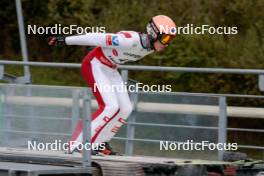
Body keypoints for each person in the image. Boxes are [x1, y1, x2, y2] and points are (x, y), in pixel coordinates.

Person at [48, 15, 176, 155]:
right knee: (110, 106)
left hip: (111, 68)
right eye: (165, 38)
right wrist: (66, 40)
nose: (167, 44)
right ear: (153, 33)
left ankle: (99, 144)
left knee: (126, 108)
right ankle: (75, 144)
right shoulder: (128, 40)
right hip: (94, 64)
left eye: (170, 40)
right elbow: (95, 38)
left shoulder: (150, 47)